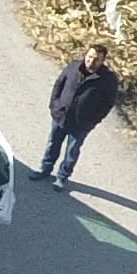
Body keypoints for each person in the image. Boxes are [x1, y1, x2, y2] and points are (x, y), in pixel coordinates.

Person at [39, 46, 121, 190]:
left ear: (103, 60)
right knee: (52, 144)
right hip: (61, 116)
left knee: (72, 151)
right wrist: (55, 106)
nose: (91, 61)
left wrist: (93, 121)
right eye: (90, 56)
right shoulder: (73, 67)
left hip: (81, 123)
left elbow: (108, 104)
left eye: (96, 59)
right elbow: (59, 84)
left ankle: (62, 177)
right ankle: (45, 169)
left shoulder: (108, 79)